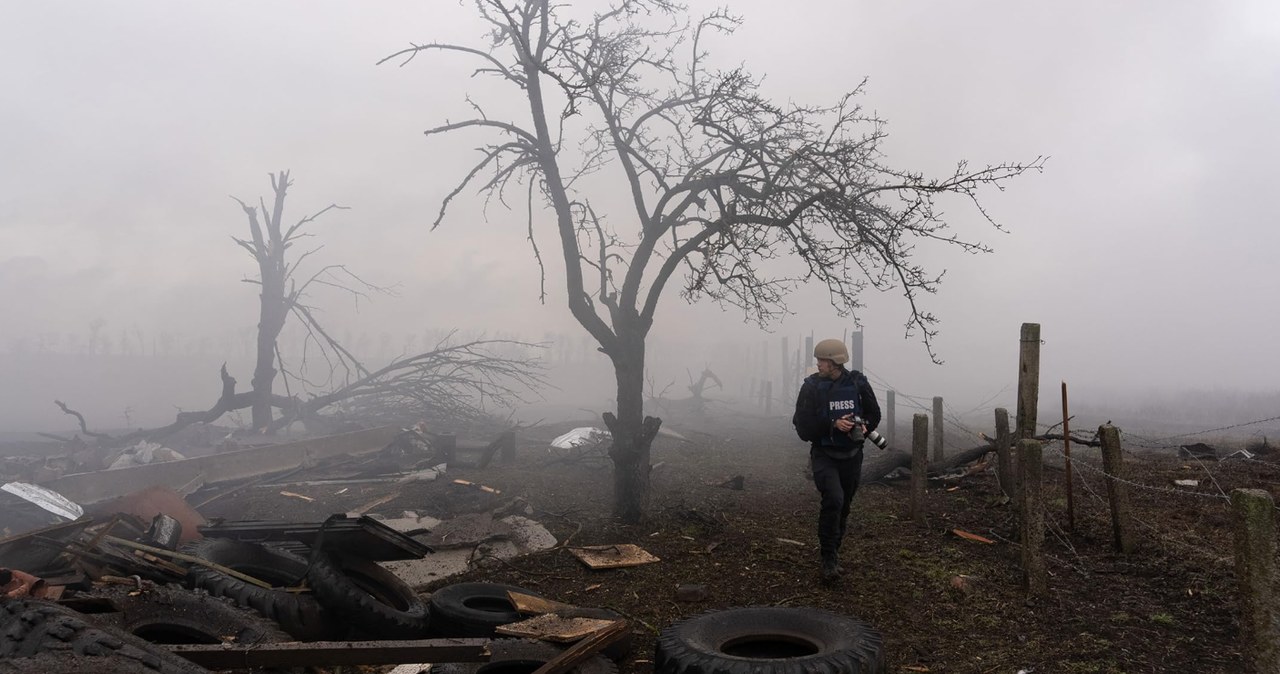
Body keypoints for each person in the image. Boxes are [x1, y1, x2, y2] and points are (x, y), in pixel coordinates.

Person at [792, 338, 882, 582]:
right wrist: (832, 424)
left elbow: (874, 414)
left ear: (835, 362)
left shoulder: (857, 383)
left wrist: (863, 427)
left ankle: (834, 550)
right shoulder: (810, 387)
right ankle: (828, 558)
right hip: (824, 455)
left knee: (844, 506)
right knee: (834, 499)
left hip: (852, 456)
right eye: (818, 360)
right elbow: (801, 426)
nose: (818, 364)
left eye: (823, 360)